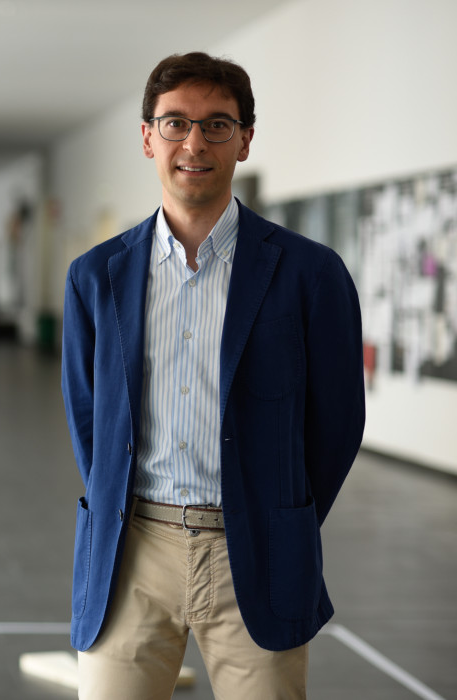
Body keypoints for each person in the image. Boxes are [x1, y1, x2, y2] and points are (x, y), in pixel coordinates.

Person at [60, 52, 365, 699]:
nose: (194, 142)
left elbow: (337, 423)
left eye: (217, 124)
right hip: (129, 557)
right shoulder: (95, 276)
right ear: (148, 137)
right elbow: (88, 415)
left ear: (245, 139)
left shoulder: (311, 274)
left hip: (252, 552)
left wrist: (280, 516)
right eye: (175, 123)